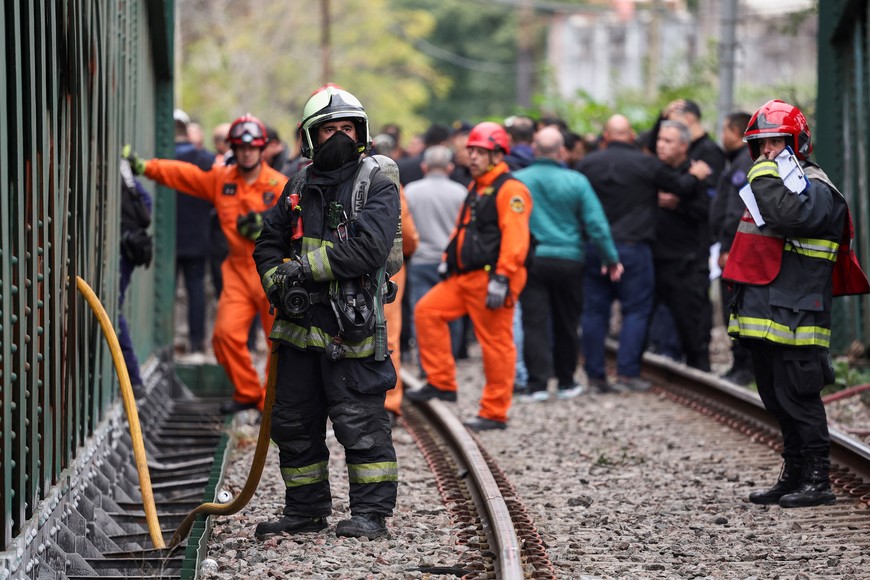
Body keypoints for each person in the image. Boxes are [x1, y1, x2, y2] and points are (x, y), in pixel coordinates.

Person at [252, 85, 401, 539]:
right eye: (328, 128)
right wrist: (276, 278)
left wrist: (302, 269)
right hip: (298, 331)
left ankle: (371, 516)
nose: (338, 135)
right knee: (293, 424)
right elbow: (268, 243)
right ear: (309, 138)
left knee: (361, 424)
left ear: (362, 133)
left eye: (346, 128)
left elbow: (370, 249)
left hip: (350, 330)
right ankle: (305, 511)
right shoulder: (295, 186)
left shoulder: (375, 183)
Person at [723, 99, 869, 508]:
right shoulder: (773, 185)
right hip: (765, 312)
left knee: (800, 397)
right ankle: (793, 474)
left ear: (797, 143)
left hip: (798, 316)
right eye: (761, 145)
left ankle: (818, 479)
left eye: (775, 143)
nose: (767, 153)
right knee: (774, 397)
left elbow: (792, 218)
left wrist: (764, 175)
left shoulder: (818, 190)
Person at [124, 113, 288, 414]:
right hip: (238, 271)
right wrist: (145, 167)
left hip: (274, 271)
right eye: (241, 147)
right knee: (224, 337)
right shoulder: (222, 180)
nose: (247, 152)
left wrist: (267, 226)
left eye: (253, 147)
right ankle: (248, 392)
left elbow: (298, 222)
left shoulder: (279, 185)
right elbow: (184, 175)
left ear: (262, 149)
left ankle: (273, 401)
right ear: (234, 150)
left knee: (281, 344)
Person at [407, 122, 533, 431]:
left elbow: (516, 239)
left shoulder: (511, 189)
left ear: (497, 155)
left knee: (496, 346)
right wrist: (448, 259)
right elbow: (462, 228)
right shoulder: (476, 187)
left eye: (481, 152)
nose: (473, 156)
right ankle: (441, 382)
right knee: (427, 312)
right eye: (471, 150)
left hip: (492, 279)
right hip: (465, 278)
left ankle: (494, 412)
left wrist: (502, 278)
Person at [577, 114, 708, 393]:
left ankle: (595, 376)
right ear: (632, 135)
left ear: (605, 135)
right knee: (636, 310)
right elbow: (681, 187)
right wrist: (695, 176)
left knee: (594, 311)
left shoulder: (587, 164)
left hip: (596, 247)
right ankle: (627, 374)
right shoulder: (646, 164)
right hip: (633, 248)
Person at [514, 126, 622, 401]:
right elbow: (596, 224)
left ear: (535, 150)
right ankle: (565, 382)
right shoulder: (577, 181)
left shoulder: (518, 181)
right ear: (562, 151)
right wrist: (610, 258)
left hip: (533, 260)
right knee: (567, 321)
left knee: (534, 323)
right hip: (570, 260)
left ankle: (537, 385)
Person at [650, 120, 714, 371]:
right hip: (654, 258)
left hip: (687, 263)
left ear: (684, 146)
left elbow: (708, 211)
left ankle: (702, 374)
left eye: (668, 141)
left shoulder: (700, 172)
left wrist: (679, 205)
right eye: (659, 140)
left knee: (693, 327)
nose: (661, 146)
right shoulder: (655, 172)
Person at [404, 145, 468, 364]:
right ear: (450, 167)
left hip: (420, 261)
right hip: (450, 264)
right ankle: (449, 360)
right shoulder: (461, 192)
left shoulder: (411, 190)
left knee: (420, 314)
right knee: (453, 314)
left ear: (424, 166)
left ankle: (427, 363)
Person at [710, 111, 755, 386]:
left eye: (725, 129)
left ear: (735, 131)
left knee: (736, 308)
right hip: (732, 248)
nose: (722, 136)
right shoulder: (736, 161)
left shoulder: (743, 163)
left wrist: (727, 247)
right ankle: (740, 364)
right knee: (733, 308)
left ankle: (744, 366)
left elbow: (735, 210)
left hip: (736, 250)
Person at [173, 109, 219, 359]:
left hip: (168, 240)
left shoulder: (162, 158)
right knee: (196, 289)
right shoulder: (205, 159)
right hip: (199, 239)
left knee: (172, 292)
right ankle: (195, 342)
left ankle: (171, 342)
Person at [118, 161, 153, 394]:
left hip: (122, 249)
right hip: (127, 248)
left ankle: (132, 378)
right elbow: (146, 206)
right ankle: (133, 378)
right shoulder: (123, 170)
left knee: (111, 311)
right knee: (113, 310)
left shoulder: (119, 171)